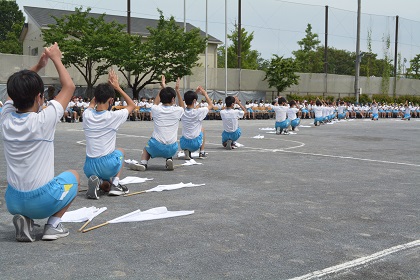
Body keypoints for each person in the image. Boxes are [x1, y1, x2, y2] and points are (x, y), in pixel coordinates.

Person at [1, 43, 79, 242]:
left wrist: (37, 67)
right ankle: (53, 225)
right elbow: (69, 86)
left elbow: (13, 92)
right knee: (74, 176)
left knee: (23, 193)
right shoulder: (44, 120)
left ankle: (25, 221)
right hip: (40, 202)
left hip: (13, 201)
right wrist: (56, 58)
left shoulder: (5, 118)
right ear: (39, 97)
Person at [83, 69, 136, 199]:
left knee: (105, 184)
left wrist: (103, 90)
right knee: (121, 151)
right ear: (111, 101)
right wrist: (117, 87)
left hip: (89, 167)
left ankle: (100, 182)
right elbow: (132, 105)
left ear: (96, 97)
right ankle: (116, 185)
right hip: (106, 165)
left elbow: (91, 105)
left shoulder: (87, 115)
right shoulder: (113, 116)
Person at [129, 75, 184, 171]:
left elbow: (155, 103)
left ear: (161, 98)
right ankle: (169, 159)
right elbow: (183, 106)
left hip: (156, 146)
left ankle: (144, 163)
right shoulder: (177, 110)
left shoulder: (156, 109)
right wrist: (177, 90)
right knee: (170, 145)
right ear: (173, 99)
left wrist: (162, 88)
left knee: (146, 149)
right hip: (172, 148)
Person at [180, 86, 213, 159]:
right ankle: (202, 152)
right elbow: (211, 105)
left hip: (183, 143)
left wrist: (195, 93)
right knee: (202, 129)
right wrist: (205, 94)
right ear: (194, 101)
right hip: (195, 144)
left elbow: (189, 100)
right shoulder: (198, 112)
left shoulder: (182, 111)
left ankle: (187, 150)